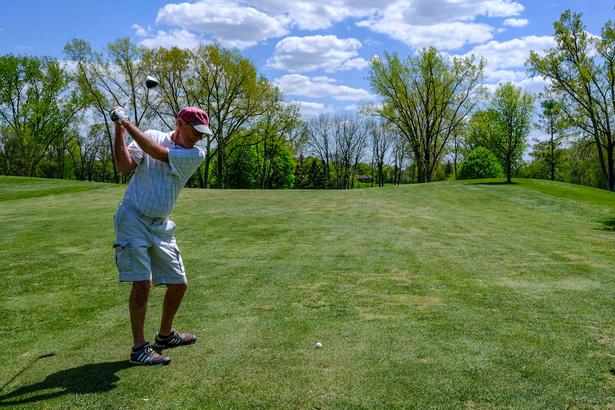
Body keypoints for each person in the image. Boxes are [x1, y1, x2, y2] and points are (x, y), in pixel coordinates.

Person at [109, 106, 211, 366]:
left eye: (203, 133)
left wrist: (127, 123)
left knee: (179, 283)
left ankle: (165, 335)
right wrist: (119, 130)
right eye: (196, 131)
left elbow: (159, 153)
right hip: (132, 218)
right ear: (180, 123)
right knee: (142, 283)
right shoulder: (153, 135)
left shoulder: (196, 153)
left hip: (161, 226)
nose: (199, 137)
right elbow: (123, 165)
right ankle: (139, 348)